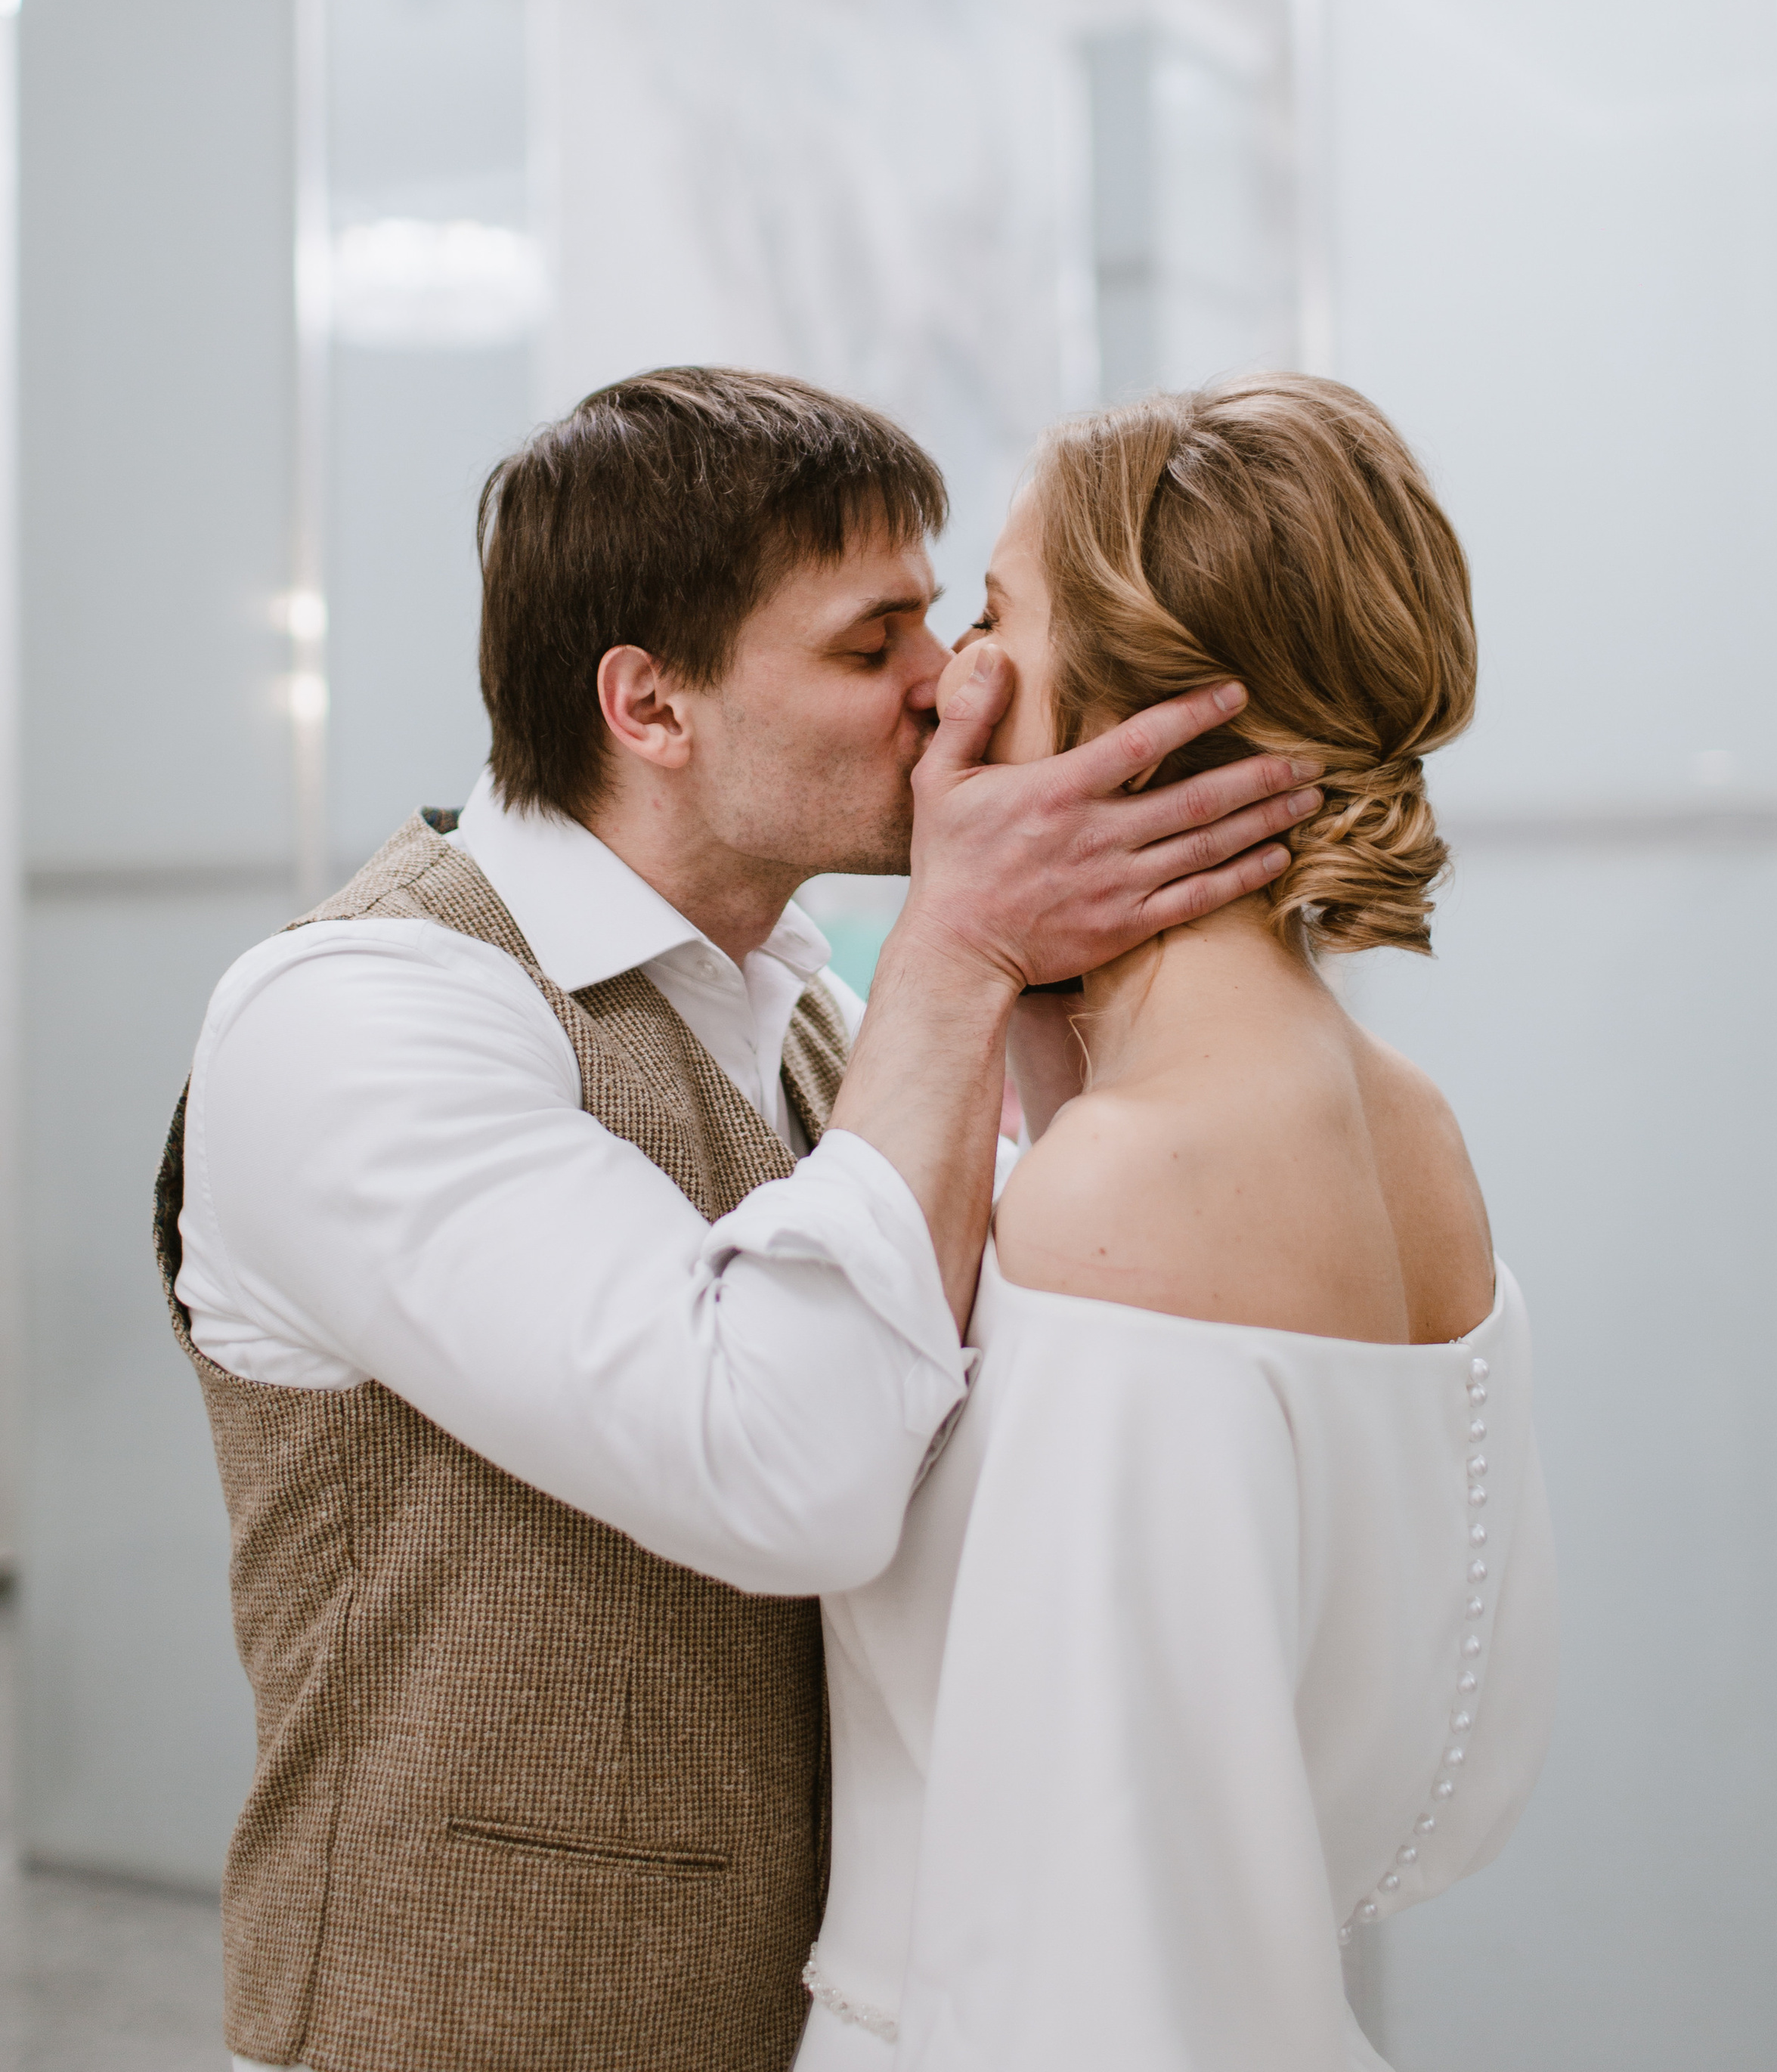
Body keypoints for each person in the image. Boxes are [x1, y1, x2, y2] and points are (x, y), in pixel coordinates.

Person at [153, 366, 1323, 2072]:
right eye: (872, 648)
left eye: (940, 620)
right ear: (648, 707)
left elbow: (1016, 1392)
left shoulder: (807, 1015)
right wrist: (963, 954)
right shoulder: (358, 1013)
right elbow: (785, 1475)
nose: (949, 692)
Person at [802, 375, 1561, 2072]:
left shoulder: (1123, 1185)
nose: (948, 685)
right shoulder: (1409, 1135)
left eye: (993, 618)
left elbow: (1086, 1932)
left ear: (1140, 719)